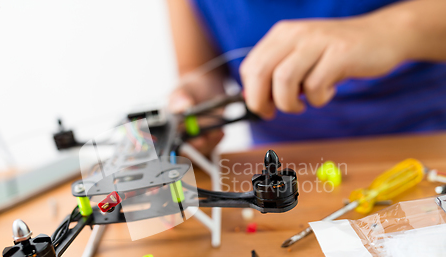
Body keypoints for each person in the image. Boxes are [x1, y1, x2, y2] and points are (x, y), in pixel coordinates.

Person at [166, 0, 446, 154]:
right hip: (286, 162)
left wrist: (387, 30)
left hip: (428, 145)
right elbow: (200, 69)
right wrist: (196, 99)